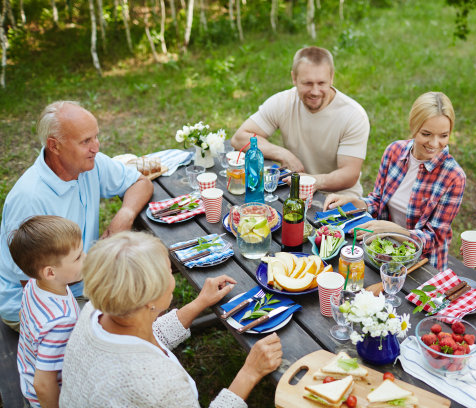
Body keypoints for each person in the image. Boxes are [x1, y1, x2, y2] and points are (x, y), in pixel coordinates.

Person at [60, 231, 283, 407]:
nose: (172, 278)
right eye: (169, 272)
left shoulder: (94, 311)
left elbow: (146, 334)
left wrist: (199, 303)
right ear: (149, 299)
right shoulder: (161, 385)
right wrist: (249, 372)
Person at [0, 101, 153, 330]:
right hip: (42, 301)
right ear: (55, 146)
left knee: (146, 293)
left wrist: (125, 214)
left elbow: (141, 183)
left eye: (95, 137)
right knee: (124, 326)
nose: (96, 147)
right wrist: (97, 300)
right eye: (85, 141)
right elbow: (29, 281)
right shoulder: (30, 199)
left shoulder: (88, 163)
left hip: (82, 279)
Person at [324, 91, 466, 271]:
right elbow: (378, 201)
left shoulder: (453, 177)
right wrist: (355, 202)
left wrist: (391, 230)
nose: (434, 143)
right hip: (380, 251)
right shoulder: (394, 151)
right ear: (413, 127)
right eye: (426, 133)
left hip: (422, 266)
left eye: (444, 135)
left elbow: (435, 239)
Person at [231, 46, 370, 198]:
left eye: (322, 83)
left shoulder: (353, 116)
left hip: (339, 199)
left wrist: (312, 181)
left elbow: (349, 174)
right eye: (308, 83)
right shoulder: (283, 102)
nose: (315, 91)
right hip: (294, 191)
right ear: (294, 78)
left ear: (332, 78)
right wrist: (283, 154)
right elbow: (240, 138)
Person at [8, 216, 84, 408]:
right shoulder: (60, 322)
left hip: (28, 367)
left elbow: (23, 317)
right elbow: (43, 384)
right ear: (50, 272)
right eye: (78, 257)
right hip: (51, 395)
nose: (86, 258)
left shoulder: (35, 284)